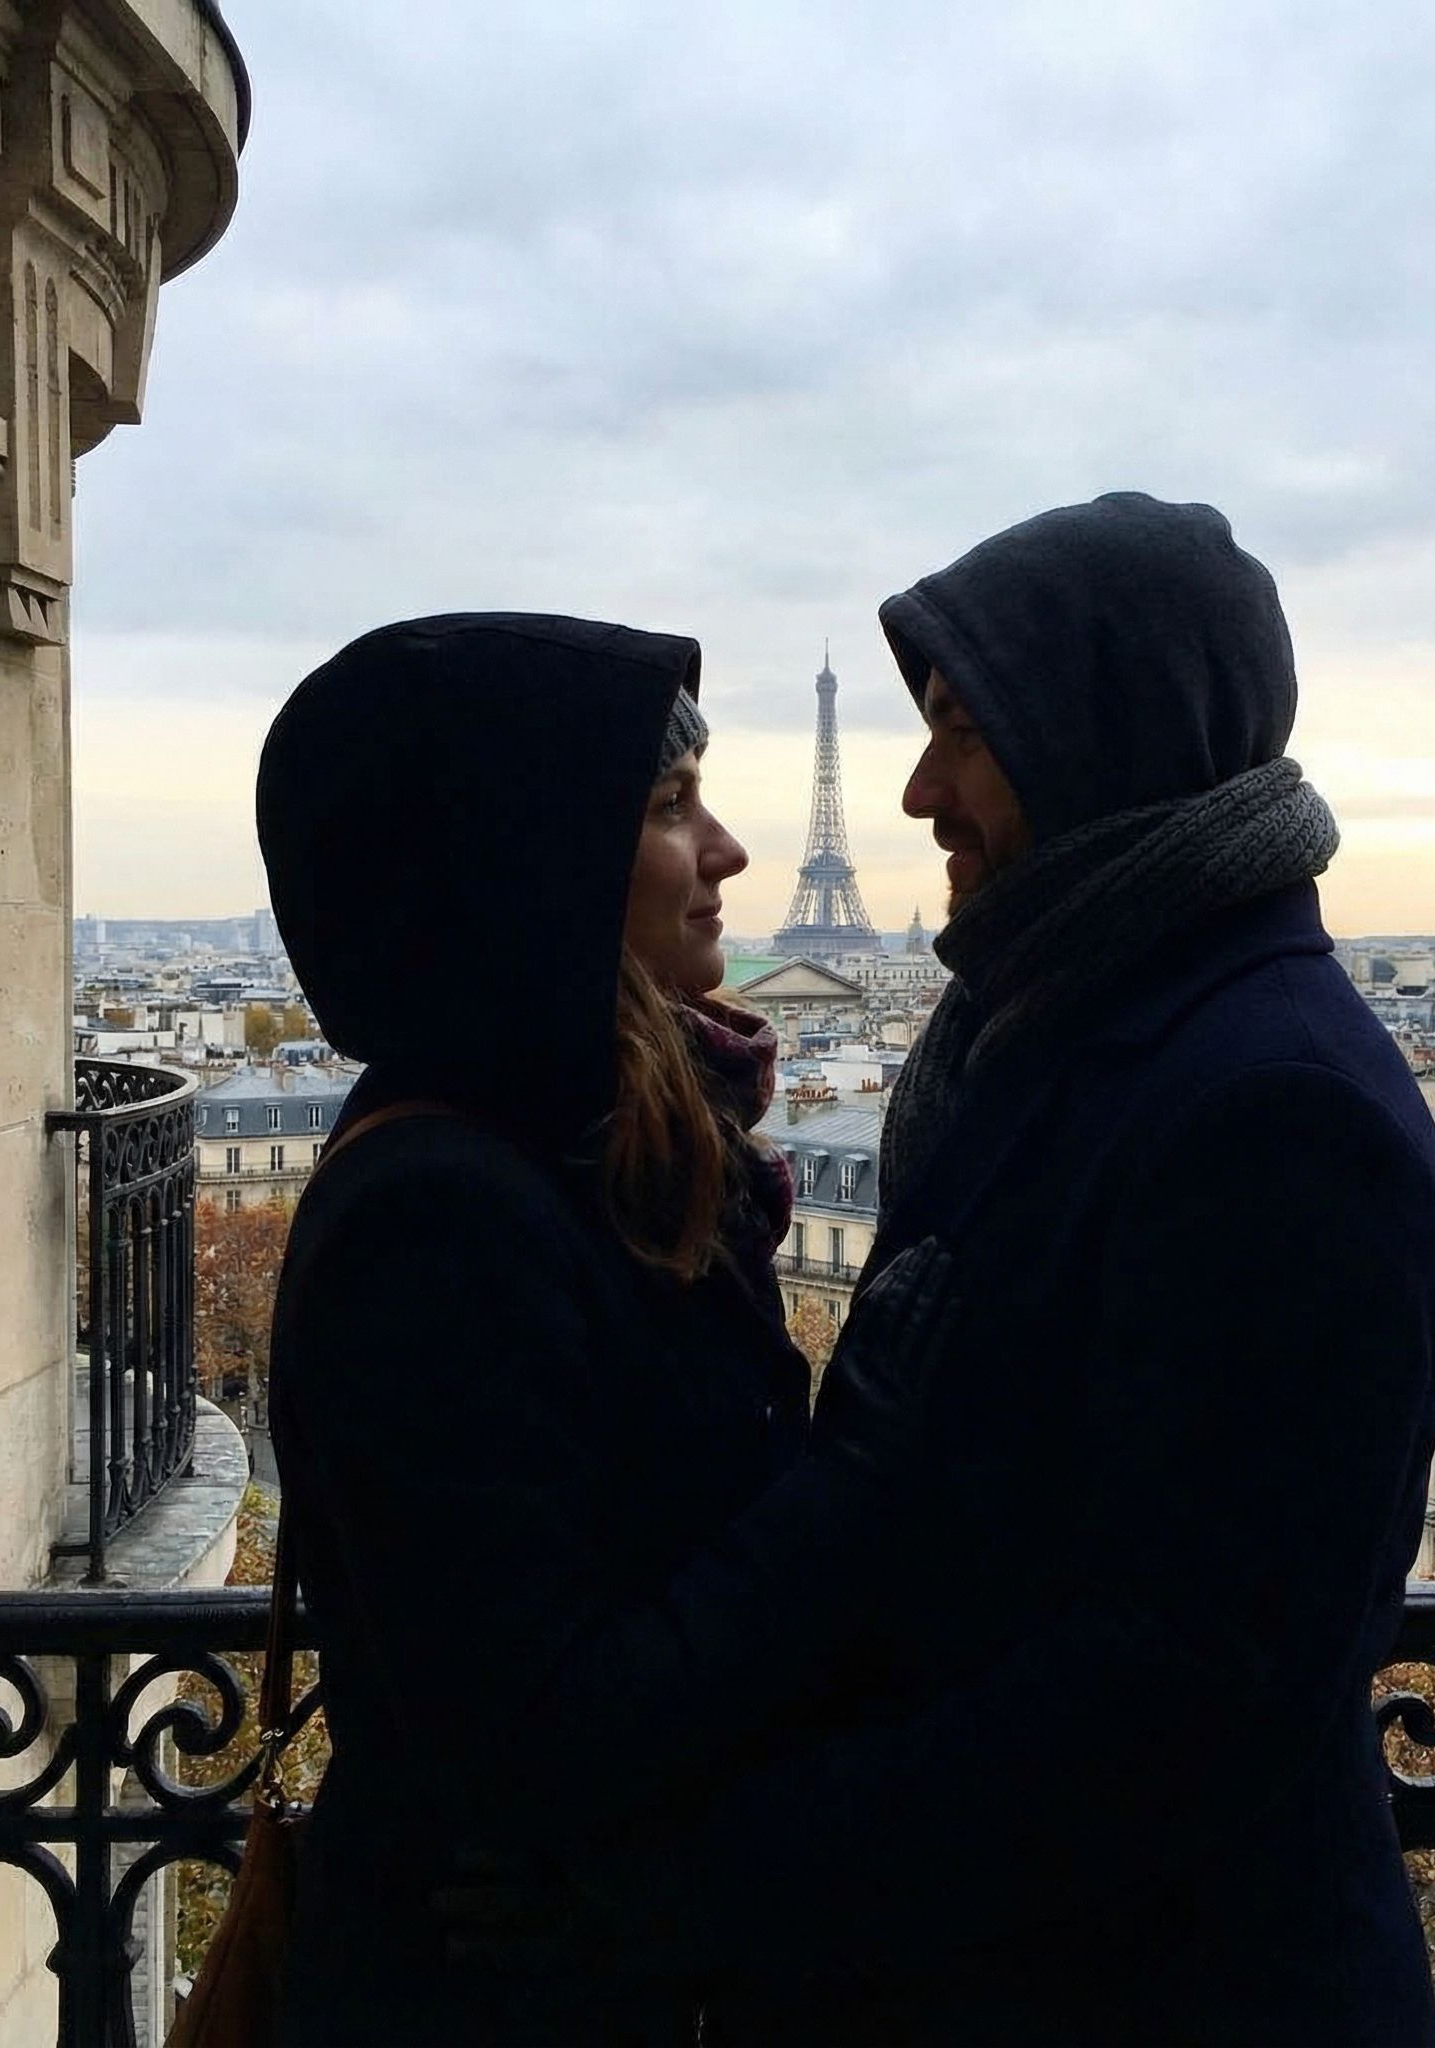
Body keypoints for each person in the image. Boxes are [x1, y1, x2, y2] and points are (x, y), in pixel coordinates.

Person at [449, 498, 1435, 2045]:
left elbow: (1175, 1698)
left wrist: (723, 1877)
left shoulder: (1275, 1111)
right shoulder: (1081, 1027)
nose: (920, 791)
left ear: (1098, 740)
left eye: (967, 734)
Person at [255, 613, 951, 2045]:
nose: (732, 853)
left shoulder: (613, 1143)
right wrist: (868, 1466)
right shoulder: (447, 1214)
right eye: (666, 807)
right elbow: (546, 1724)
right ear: (533, 856)